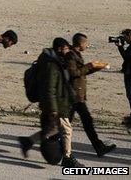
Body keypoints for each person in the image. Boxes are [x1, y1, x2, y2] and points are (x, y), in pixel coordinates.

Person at [18, 38, 83, 167]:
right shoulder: (51, 65)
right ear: (59, 48)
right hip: (56, 104)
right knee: (67, 129)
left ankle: (28, 141)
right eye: (66, 48)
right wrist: (53, 109)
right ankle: (67, 157)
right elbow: (50, 88)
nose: (67, 50)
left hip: (58, 102)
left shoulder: (55, 61)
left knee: (52, 129)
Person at [65, 33, 116, 157]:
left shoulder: (75, 54)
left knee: (68, 123)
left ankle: (44, 142)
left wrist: (96, 68)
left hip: (77, 95)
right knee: (83, 122)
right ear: (80, 43)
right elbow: (74, 73)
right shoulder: (71, 56)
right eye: (85, 43)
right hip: (74, 96)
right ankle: (99, 147)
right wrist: (90, 66)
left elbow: (81, 73)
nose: (86, 46)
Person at [116, 29, 131, 127]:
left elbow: (127, 57)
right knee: (130, 96)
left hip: (130, 75)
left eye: (125, 37)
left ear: (130, 36)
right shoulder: (130, 46)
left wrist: (120, 47)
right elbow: (126, 57)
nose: (124, 39)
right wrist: (120, 47)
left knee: (130, 96)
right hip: (129, 74)